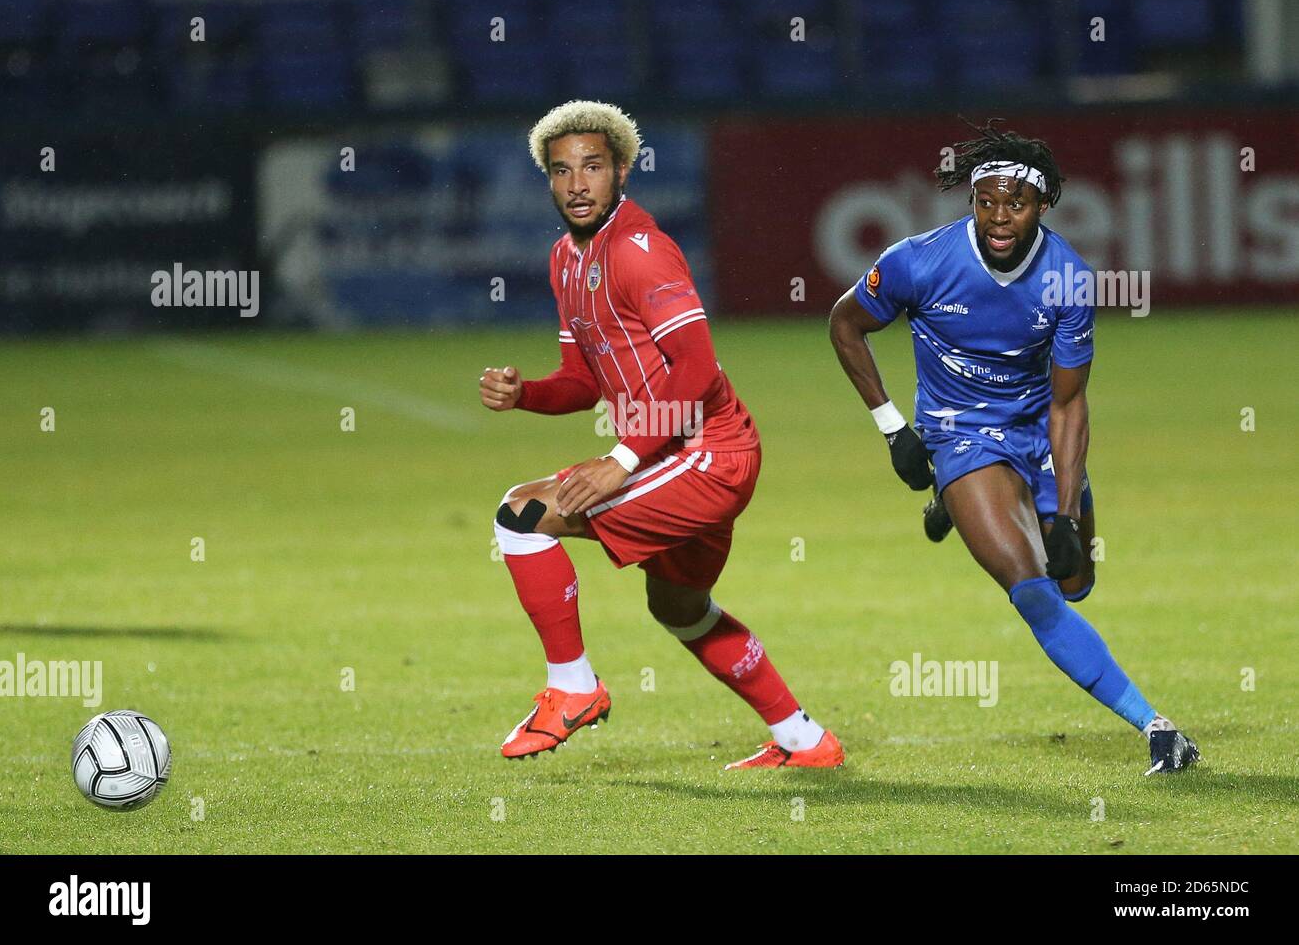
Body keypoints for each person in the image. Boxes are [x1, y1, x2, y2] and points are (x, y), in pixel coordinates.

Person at [828, 119, 1199, 775]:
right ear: (971, 200)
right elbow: (845, 324)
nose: (1000, 216)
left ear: (1046, 203)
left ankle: (962, 504)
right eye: (987, 201)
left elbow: (1067, 402)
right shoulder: (918, 261)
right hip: (960, 432)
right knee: (1033, 592)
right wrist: (894, 430)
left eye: (1017, 203)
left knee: (1075, 582)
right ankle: (1159, 729)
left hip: (1037, 433)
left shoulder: (1067, 280)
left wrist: (1061, 516)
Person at [481, 100, 842, 769]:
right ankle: (804, 739)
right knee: (679, 607)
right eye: (561, 171)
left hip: (706, 455)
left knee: (521, 514)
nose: (577, 184)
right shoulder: (565, 259)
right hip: (684, 459)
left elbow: (698, 366)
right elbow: (582, 380)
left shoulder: (641, 252)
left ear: (622, 169)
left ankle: (573, 688)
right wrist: (526, 394)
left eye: (592, 167)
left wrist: (620, 460)